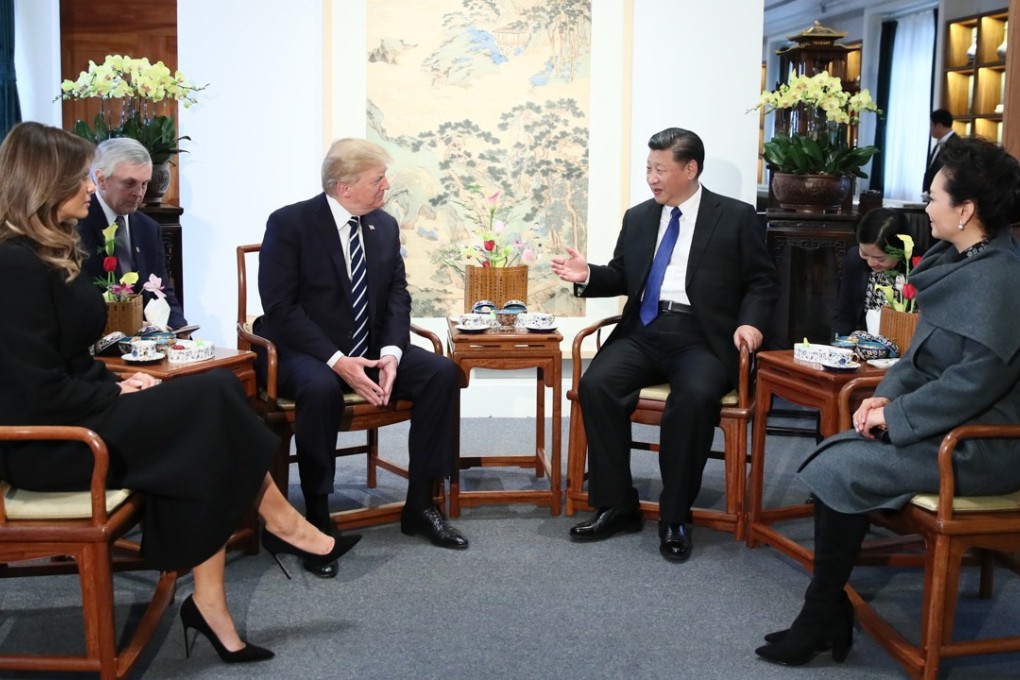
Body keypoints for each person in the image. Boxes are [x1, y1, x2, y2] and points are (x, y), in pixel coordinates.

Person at [0, 122, 352, 664]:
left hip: (78, 416)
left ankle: (213, 601)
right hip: (49, 445)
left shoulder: (46, 254)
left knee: (207, 404)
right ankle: (279, 523)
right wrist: (112, 397)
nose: (90, 189)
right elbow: (31, 391)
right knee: (209, 403)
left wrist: (116, 382)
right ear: (44, 184)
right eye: (80, 179)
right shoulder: (13, 265)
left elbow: (67, 360)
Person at [756, 136, 1020, 667]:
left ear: (965, 210)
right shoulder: (962, 260)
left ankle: (821, 613)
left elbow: (975, 383)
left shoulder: (1001, 279)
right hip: (945, 426)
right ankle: (827, 610)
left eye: (934, 197)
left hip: (980, 443)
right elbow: (919, 357)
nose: (926, 207)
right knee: (840, 456)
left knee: (842, 465)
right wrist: (884, 397)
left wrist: (894, 417)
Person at [550, 127, 778, 563]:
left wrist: (751, 325)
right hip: (644, 329)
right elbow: (622, 273)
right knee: (598, 385)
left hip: (702, 337)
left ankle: (675, 515)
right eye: (648, 168)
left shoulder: (734, 216)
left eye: (660, 169)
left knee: (693, 398)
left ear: (690, 169)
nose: (651, 178)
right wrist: (588, 275)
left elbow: (762, 281)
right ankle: (617, 505)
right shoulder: (639, 217)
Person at [257, 137, 468, 575]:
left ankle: (420, 505)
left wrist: (392, 352)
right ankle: (316, 515)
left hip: (370, 347)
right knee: (319, 390)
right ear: (344, 186)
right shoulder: (289, 223)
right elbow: (280, 308)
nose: (387, 186)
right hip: (306, 351)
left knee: (442, 374)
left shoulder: (384, 226)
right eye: (378, 179)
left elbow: (396, 294)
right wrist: (337, 360)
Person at [77, 137, 187, 330]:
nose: (138, 193)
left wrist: (180, 329)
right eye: (129, 184)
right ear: (101, 180)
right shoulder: (77, 224)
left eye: (144, 184)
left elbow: (163, 290)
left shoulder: (148, 228)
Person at [831, 208, 911, 337]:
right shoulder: (854, 259)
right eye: (865, 254)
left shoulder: (919, 265)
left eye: (880, 258)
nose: (871, 263)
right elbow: (845, 311)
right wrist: (838, 345)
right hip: (862, 342)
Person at [921, 109, 959, 201]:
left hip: (944, 199)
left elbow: (949, 173)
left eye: (931, 125)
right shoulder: (938, 144)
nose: (930, 129)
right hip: (932, 198)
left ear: (938, 125)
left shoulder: (956, 145)